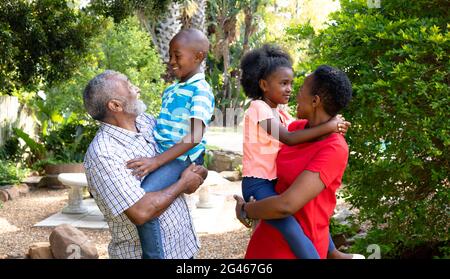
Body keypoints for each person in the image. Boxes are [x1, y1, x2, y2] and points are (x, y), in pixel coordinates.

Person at [235, 65, 363, 259]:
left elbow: (286, 205)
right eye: (284, 84)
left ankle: (334, 254)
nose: (294, 92)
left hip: (301, 249)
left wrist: (246, 209)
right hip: (266, 243)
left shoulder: (334, 148)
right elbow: (287, 137)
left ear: (315, 101)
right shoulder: (296, 128)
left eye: (301, 88)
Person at [83, 70, 208, 259]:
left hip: (183, 249)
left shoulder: (147, 122)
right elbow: (141, 212)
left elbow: (182, 163)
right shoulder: (103, 153)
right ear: (115, 105)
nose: (137, 88)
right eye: (129, 85)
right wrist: (183, 183)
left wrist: (197, 174)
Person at [125, 28, 215, 259]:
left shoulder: (201, 90)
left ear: (198, 57)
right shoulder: (172, 89)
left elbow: (195, 136)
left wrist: (156, 162)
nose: (171, 61)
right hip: (166, 155)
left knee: (142, 200)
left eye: (177, 55)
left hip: (181, 159)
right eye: (170, 55)